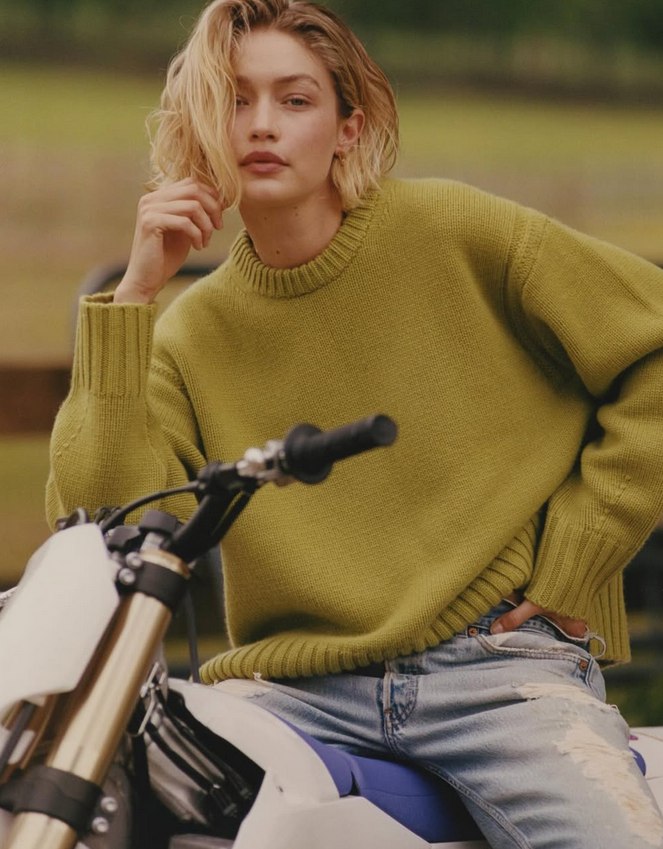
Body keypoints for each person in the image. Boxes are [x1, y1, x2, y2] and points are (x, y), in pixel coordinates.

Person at [47, 0, 663, 846]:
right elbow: (104, 520)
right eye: (234, 100)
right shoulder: (187, 332)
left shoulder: (457, 231)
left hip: (496, 673)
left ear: (348, 127)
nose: (261, 124)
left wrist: (577, 557)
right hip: (290, 690)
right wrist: (133, 299)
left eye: (295, 99)